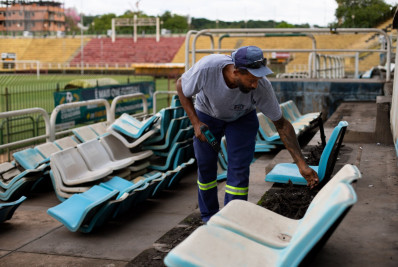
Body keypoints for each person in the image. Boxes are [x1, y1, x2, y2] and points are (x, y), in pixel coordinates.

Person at [176, 45, 319, 222]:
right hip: (208, 116)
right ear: (236, 71)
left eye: (258, 78)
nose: (255, 84)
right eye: (251, 79)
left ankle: (233, 220)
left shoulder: (261, 86)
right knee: (206, 169)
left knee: (239, 171)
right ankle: (209, 217)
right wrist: (196, 123)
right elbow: (181, 86)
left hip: (241, 118)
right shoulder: (208, 68)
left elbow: (281, 125)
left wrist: (301, 165)